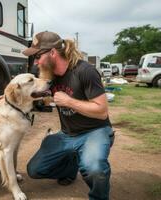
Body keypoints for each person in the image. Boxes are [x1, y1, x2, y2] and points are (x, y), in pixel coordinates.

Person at [22, 31, 114, 200]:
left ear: (52, 52)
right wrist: (6, 97)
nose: (35, 62)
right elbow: (33, 93)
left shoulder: (85, 71)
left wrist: (69, 102)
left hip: (95, 131)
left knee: (94, 168)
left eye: (37, 57)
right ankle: (71, 167)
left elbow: (102, 112)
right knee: (34, 170)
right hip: (67, 135)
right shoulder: (50, 75)